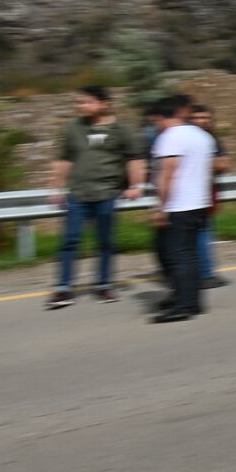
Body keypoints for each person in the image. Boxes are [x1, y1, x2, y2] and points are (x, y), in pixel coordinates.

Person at [46, 86, 145, 309]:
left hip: (107, 193)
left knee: (105, 242)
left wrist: (136, 185)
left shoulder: (121, 129)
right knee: (70, 241)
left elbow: (134, 159)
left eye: (86, 102)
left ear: (104, 104)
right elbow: (63, 160)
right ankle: (63, 289)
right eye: (79, 103)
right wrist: (56, 188)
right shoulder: (73, 128)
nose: (81, 106)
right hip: (78, 194)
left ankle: (104, 285)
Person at [148, 96, 216, 323]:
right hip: (199, 203)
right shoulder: (202, 135)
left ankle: (185, 305)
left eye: (156, 119)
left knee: (178, 256)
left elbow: (168, 173)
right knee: (187, 255)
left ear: (165, 116)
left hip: (178, 205)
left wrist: (161, 207)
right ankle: (186, 298)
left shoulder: (170, 137)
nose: (156, 124)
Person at [189, 103, 231, 288]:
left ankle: (204, 273)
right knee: (199, 232)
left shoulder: (213, 139)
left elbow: (224, 165)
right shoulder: (185, 137)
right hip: (190, 191)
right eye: (197, 117)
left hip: (207, 190)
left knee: (203, 231)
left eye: (205, 118)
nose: (201, 121)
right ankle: (204, 273)